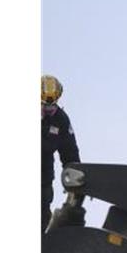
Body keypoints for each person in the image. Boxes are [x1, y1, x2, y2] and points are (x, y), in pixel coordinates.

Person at [41, 75, 80, 231]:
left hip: (42, 180)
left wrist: (77, 178)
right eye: (44, 105)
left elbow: (70, 151)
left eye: (52, 105)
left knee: (41, 218)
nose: (49, 109)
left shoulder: (61, 120)